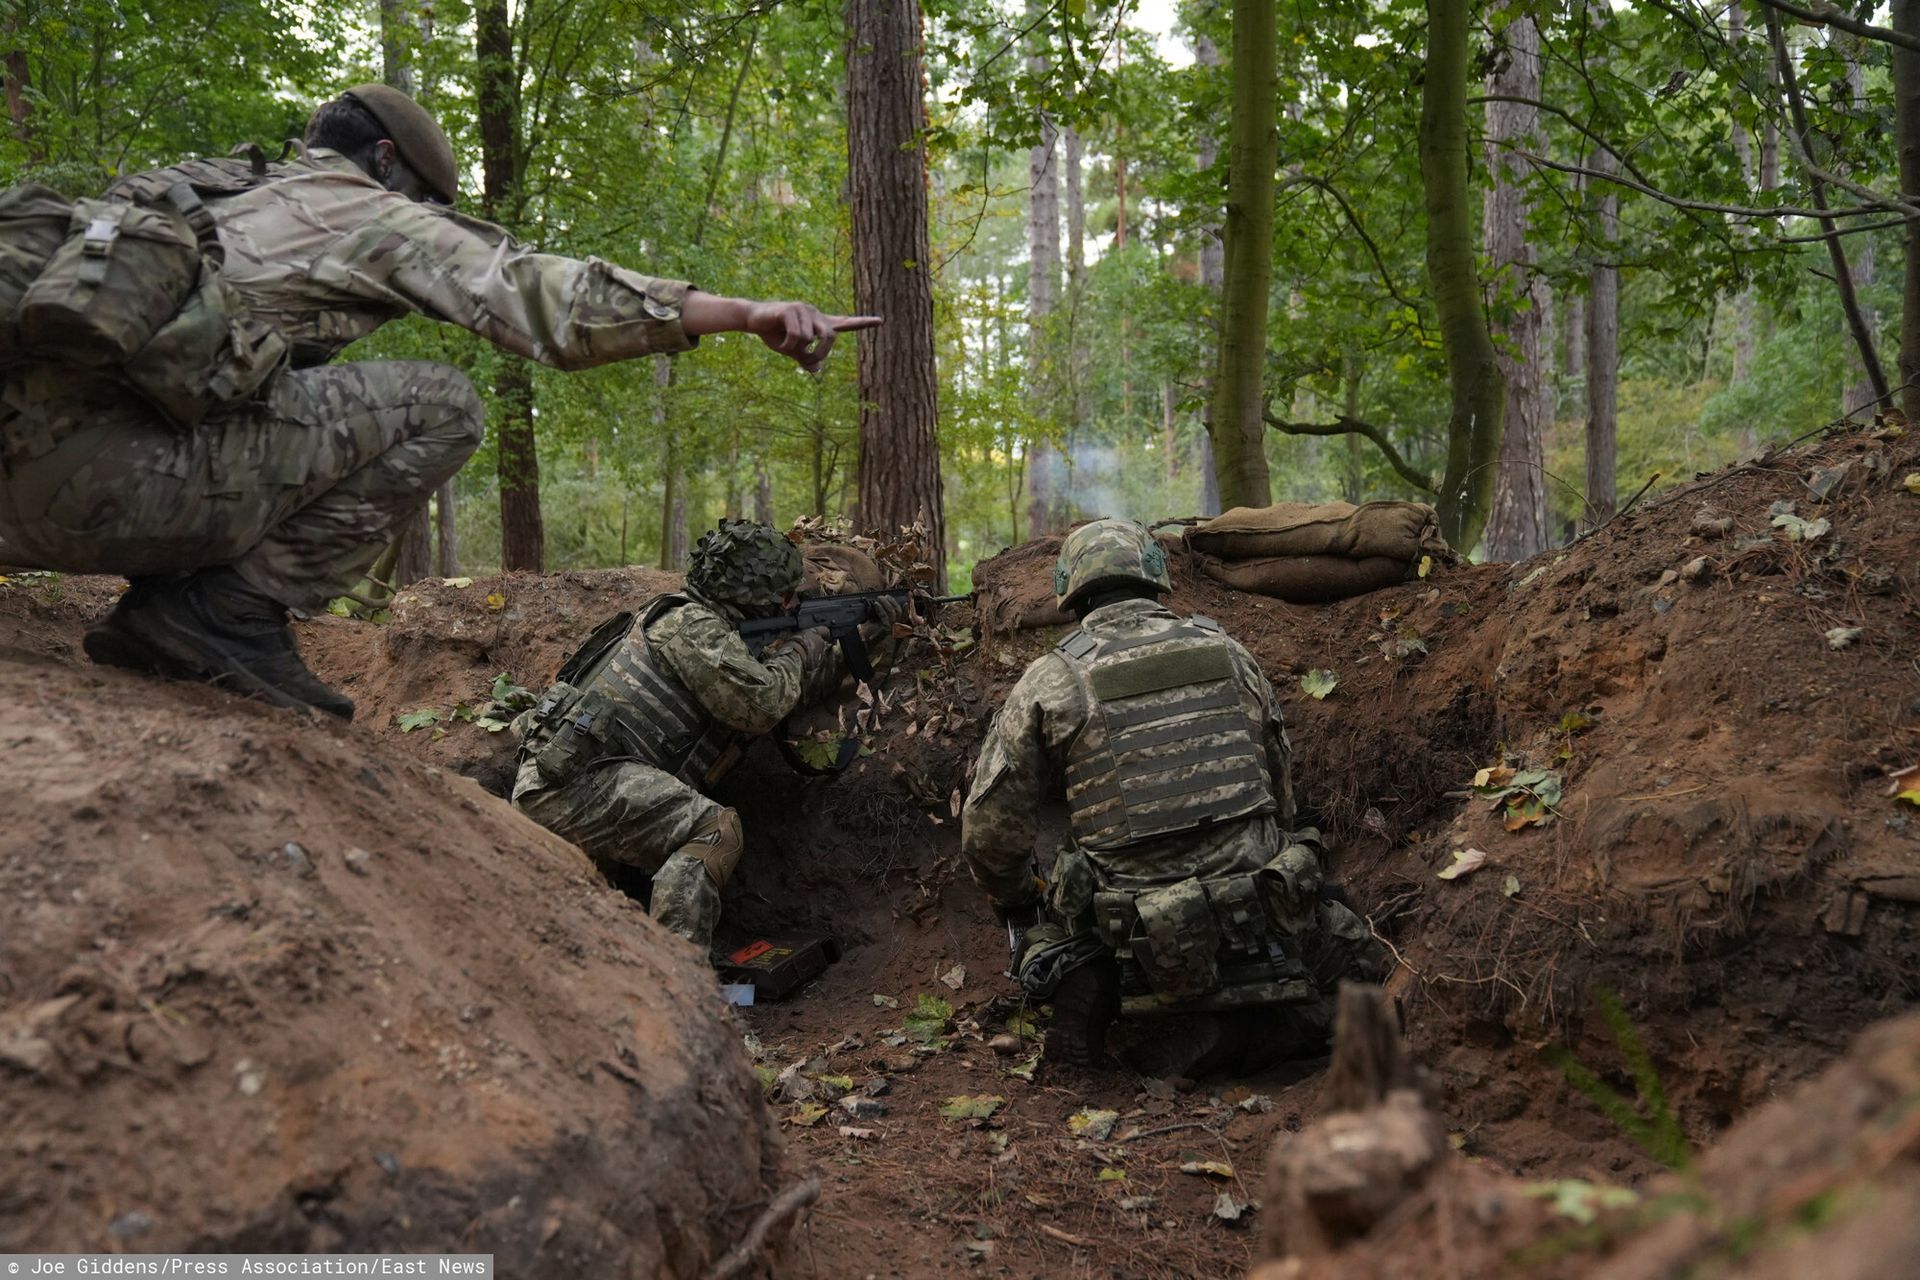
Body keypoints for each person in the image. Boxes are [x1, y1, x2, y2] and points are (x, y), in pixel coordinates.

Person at [0, 84, 875, 719]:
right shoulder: (359, 210)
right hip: (89, 497)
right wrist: (741, 313)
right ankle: (219, 615)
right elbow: (544, 297)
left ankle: (185, 592)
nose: (422, 213)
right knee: (441, 403)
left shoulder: (206, 192)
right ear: (385, 162)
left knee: (257, 388)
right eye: (424, 198)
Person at [959, 517, 1385, 1075]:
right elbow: (1280, 791)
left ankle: (1099, 995)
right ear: (1155, 578)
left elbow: (988, 833)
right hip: (1257, 905)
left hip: (1130, 928)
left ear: (1071, 590)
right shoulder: (1229, 651)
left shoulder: (1052, 679)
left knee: (1056, 932)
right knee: (1358, 960)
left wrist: (1018, 902)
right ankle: (1265, 1028)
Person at [512, 520, 901, 952]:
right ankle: (681, 981)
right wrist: (801, 645)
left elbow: (788, 691)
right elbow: (763, 705)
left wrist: (862, 635)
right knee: (715, 830)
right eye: (782, 595)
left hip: (581, 783)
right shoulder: (690, 627)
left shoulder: (706, 626)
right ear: (750, 595)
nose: (789, 603)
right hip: (573, 787)